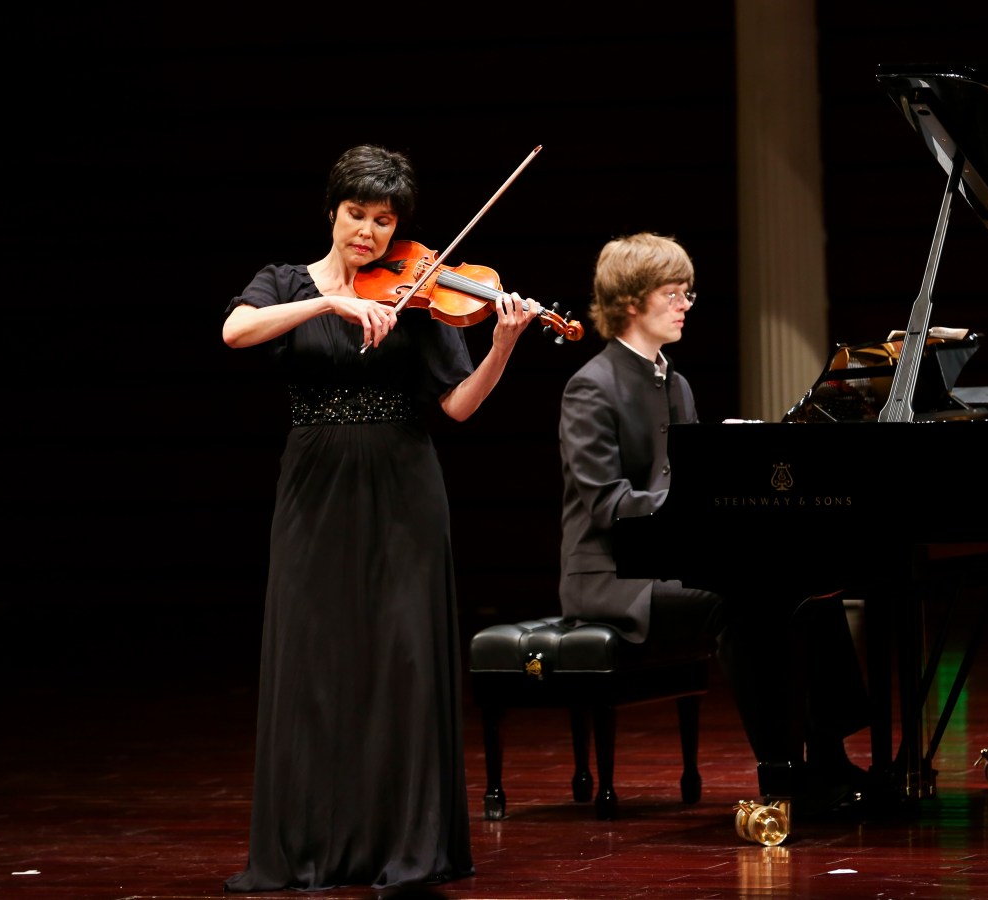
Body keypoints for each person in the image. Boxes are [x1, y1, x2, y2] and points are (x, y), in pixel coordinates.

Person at [221, 144, 540, 892]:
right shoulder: (284, 282)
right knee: (314, 662)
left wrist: (500, 347)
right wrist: (331, 302)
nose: (367, 231)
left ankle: (409, 847)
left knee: (403, 660)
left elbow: (457, 405)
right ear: (333, 211)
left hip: (403, 481)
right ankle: (308, 847)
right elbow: (237, 332)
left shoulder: (420, 287)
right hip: (313, 482)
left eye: (383, 219)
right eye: (357, 214)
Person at [557, 232, 869, 812]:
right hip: (611, 578)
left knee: (813, 589)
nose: (684, 304)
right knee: (742, 603)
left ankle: (829, 753)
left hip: (668, 563)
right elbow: (606, 502)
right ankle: (779, 770)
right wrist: (696, 502)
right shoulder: (590, 387)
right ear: (631, 302)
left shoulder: (676, 383)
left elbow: (686, 488)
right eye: (672, 293)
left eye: (687, 294)